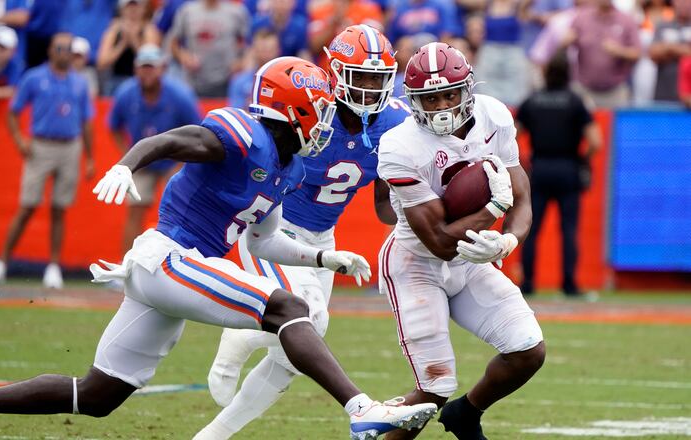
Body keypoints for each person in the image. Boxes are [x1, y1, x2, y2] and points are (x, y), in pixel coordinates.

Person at [0, 56, 438, 440]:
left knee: (98, 395)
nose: (327, 117)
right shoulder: (242, 134)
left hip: (175, 271)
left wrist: (327, 258)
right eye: (319, 107)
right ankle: (360, 407)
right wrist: (127, 164)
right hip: (169, 257)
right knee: (287, 308)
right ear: (295, 109)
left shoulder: (292, 167)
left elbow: (264, 240)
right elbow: (170, 140)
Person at [196, 24, 411, 440]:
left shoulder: (394, 125)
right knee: (309, 318)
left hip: (322, 238)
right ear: (336, 71)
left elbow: (384, 207)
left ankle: (215, 434)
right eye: (360, 76)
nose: (368, 89)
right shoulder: (313, 110)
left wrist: (413, 205)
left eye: (377, 79)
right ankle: (239, 335)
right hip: (274, 229)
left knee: (297, 356)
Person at [375, 42, 546, 440]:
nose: (442, 105)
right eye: (430, 98)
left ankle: (467, 414)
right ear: (414, 101)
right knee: (433, 387)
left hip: (469, 263)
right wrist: (492, 211)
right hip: (415, 264)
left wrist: (507, 242)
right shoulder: (400, 145)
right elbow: (437, 241)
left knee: (527, 350)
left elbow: (521, 196)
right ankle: (375, 423)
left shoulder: (494, 115)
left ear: (468, 88)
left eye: (450, 93)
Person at [0, 33, 95, 289]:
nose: (64, 53)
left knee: (60, 208)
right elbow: (13, 111)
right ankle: (1, 263)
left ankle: (53, 267)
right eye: (59, 48)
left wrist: (90, 157)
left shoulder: (80, 83)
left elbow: (87, 121)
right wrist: (19, 140)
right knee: (27, 205)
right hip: (41, 144)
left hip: (69, 146)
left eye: (68, 49)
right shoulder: (34, 77)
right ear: (50, 51)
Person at [517, 52, 601, 297]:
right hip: (568, 168)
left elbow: (512, 134)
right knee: (569, 228)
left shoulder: (532, 100)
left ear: (545, 73)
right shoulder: (576, 101)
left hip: (540, 168)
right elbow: (596, 141)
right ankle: (569, 284)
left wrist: (523, 161)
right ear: (568, 74)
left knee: (531, 228)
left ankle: (528, 283)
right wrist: (583, 160)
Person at [108, 44, 201, 253]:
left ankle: (184, 265)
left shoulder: (180, 95)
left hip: (173, 159)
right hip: (143, 160)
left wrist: (181, 163)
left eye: (151, 67)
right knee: (134, 211)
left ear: (163, 69)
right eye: (143, 67)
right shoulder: (125, 93)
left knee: (181, 213)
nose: (147, 72)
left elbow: (199, 132)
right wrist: (129, 156)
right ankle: (126, 268)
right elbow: (114, 126)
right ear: (135, 69)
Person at [564, 0, 641, 108]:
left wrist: (620, 51)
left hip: (615, 91)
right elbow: (565, 42)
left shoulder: (626, 20)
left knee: (614, 124)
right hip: (584, 90)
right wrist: (566, 41)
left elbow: (637, 53)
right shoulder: (581, 18)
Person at [169, 0, 249, 97]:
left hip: (226, 80)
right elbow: (173, 43)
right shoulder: (187, 11)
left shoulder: (236, 11)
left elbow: (249, 43)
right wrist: (184, 57)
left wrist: (240, 62)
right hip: (194, 80)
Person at [96, 0, 158, 96]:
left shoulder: (149, 30)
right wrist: (122, 44)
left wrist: (134, 40)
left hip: (142, 81)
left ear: (143, 9)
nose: (133, 10)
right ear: (122, 10)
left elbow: (152, 61)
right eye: (129, 7)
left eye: (136, 7)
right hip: (116, 81)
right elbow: (101, 62)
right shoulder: (113, 30)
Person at [648, 0, 691, 102]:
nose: (684, 4)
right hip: (664, 92)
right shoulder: (662, 25)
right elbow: (653, 54)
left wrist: (669, 48)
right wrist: (683, 50)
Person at [227, 28, 281, 109]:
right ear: (254, 50)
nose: (266, 54)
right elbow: (236, 113)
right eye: (262, 49)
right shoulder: (239, 81)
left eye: (270, 50)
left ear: (278, 50)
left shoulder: (286, 83)